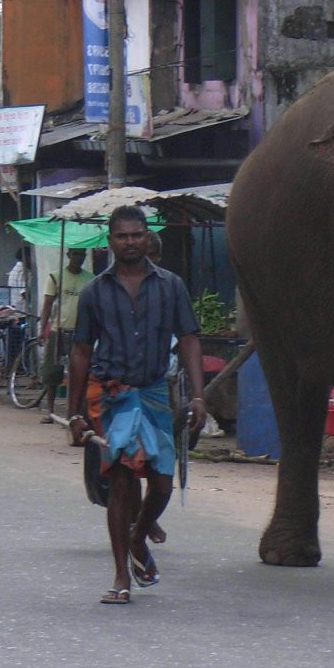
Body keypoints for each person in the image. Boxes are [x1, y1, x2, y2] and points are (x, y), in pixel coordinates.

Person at [66, 206, 205, 605]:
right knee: (123, 480)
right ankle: (121, 574)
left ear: (147, 237)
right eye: (122, 236)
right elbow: (79, 352)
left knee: (162, 482)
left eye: (137, 235)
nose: (130, 242)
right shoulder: (95, 292)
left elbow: (190, 338)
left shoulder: (171, 286)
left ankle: (138, 536)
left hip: (157, 393)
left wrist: (199, 395)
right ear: (109, 241)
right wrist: (75, 413)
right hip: (113, 397)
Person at [37, 247, 92, 414]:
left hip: (80, 332)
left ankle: (74, 412)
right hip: (58, 329)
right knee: (52, 372)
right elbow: (47, 303)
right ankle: (50, 410)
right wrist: (42, 328)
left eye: (82, 254)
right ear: (68, 255)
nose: (78, 258)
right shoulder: (55, 277)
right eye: (75, 254)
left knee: (80, 373)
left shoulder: (90, 280)